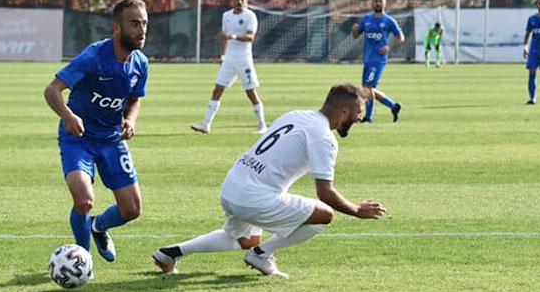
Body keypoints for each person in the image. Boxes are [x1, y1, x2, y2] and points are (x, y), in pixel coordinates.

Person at [153, 83, 387, 278]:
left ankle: (170, 253)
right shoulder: (324, 137)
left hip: (232, 186)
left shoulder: (296, 114)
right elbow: (325, 193)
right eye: (357, 114)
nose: (359, 119)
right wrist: (357, 210)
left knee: (245, 239)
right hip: (253, 197)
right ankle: (261, 255)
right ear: (344, 110)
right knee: (324, 215)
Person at [43, 0, 149, 263]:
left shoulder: (140, 63)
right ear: (117, 27)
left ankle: (99, 226)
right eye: (134, 23)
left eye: (144, 23)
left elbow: (135, 99)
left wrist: (131, 120)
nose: (141, 30)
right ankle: (83, 258)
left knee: (132, 210)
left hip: (112, 140)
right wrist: (67, 115)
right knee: (83, 200)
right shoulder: (93, 57)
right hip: (78, 138)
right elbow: (52, 90)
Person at [191, 0, 267, 135]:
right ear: (232, 0)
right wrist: (223, 55)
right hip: (229, 60)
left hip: (243, 59)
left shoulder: (250, 16)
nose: (239, 1)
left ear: (246, 0)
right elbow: (224, 36)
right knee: (217, 90)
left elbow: (250, 37)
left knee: (250, 92)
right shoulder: (226, 15)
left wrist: (232, 37)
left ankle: (262, 125)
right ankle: (206, 125)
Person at [351, 0, 404, 122]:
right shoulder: (367, 19)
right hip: (367, 58)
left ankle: (368, 118)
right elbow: (356, 36)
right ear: (372, 3)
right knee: (368, 89)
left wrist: (389, 47)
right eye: (376, 1)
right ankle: (393, 106)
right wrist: (354, 31)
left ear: (385, 3)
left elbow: (401, 37)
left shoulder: (388, 20)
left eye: (380, 1)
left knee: (368, 88)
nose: (378, 3)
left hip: (378, 59)